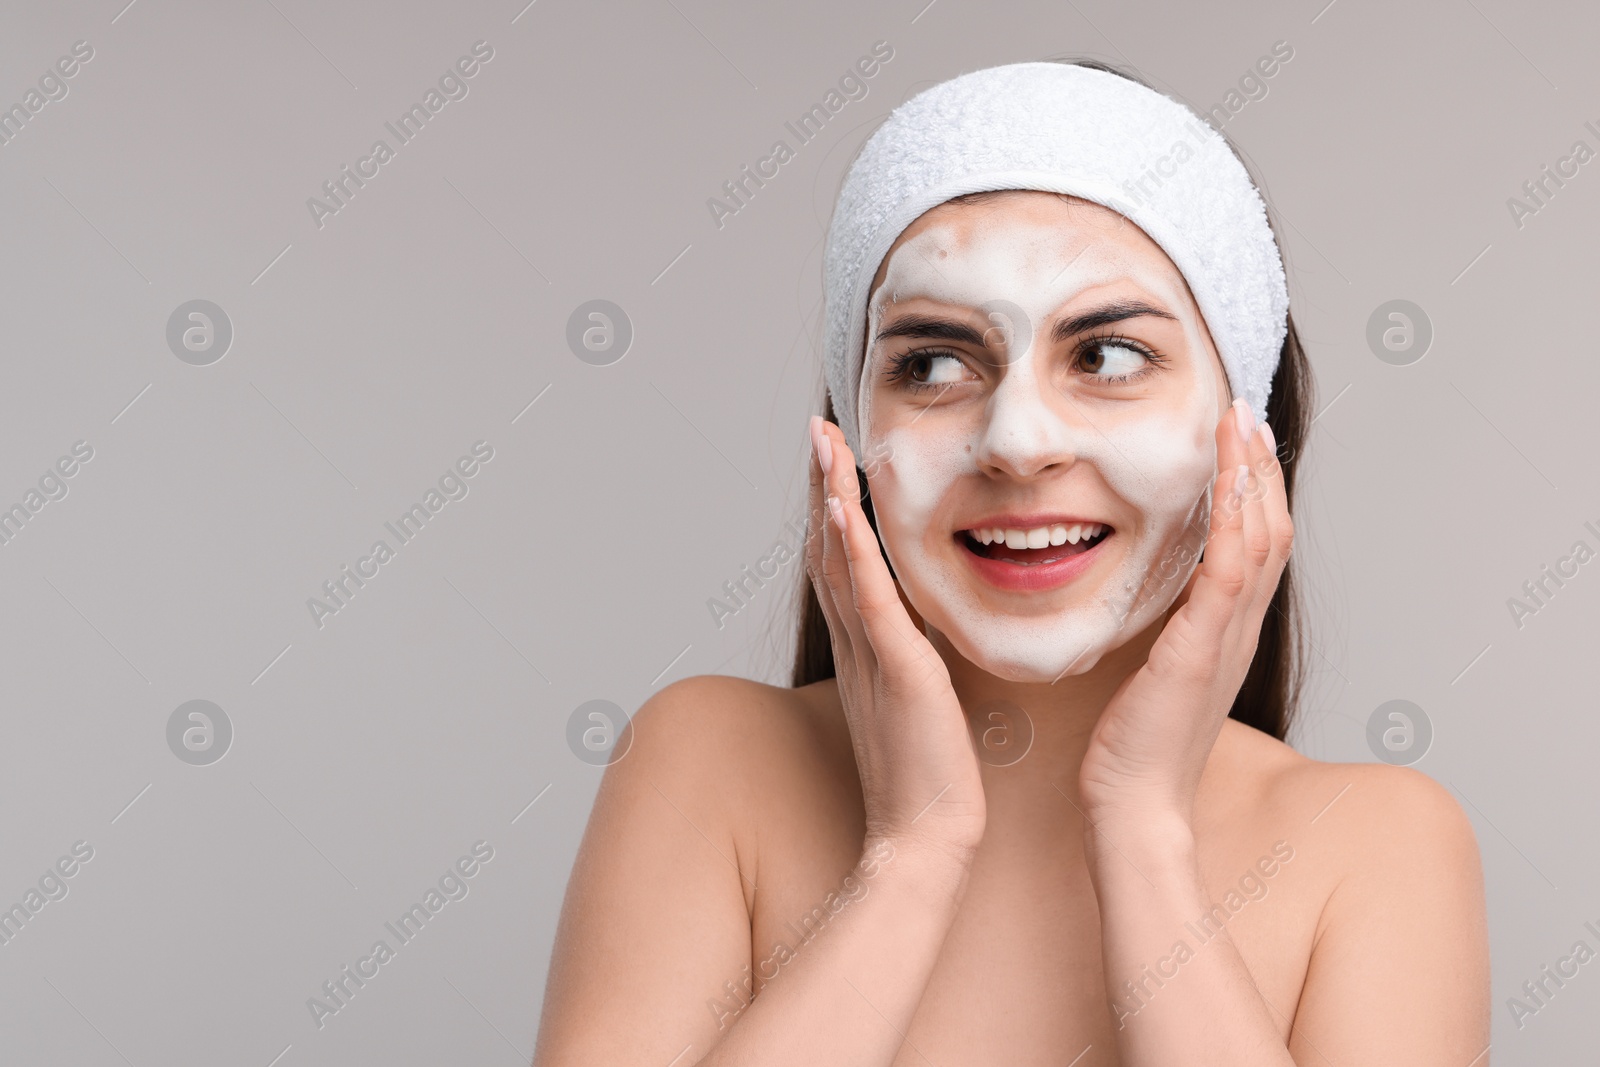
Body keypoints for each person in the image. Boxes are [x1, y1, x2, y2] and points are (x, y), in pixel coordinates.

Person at [533, 59, 1489, 1066]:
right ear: (851, 430)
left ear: (1241, 425)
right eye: (933, 364)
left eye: (1107, 357)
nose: (1018, 440)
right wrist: (911, 854)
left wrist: (1141, 831)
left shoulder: (1377, 846)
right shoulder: (708, 762)